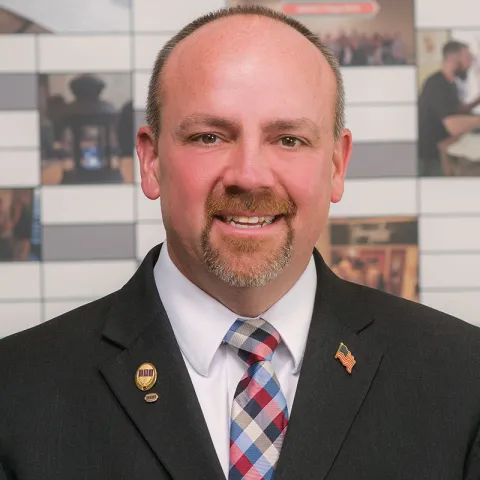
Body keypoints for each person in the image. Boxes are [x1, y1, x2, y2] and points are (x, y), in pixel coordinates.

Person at [0, 5, 480, 479]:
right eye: (210, 136)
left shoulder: (463, 378)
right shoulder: (16, 392)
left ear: (336, 165)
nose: (249, 177)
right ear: (150, 162)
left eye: (289, 139)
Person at [418, 40, 480, 176]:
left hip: (446, 149)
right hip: (432, 159)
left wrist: (477, 100)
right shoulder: (437, 84)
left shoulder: (450, 83)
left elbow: (459, 111)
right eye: (468, 58)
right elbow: (454, 126)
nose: (470, 64)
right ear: (453, 59)